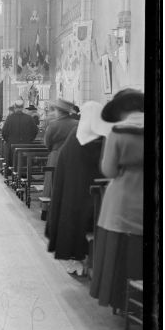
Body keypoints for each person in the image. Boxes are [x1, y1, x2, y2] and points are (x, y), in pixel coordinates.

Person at [90, 89, 144, 312]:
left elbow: (109, 170)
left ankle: (121, 300)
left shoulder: (119, 132)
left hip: (123, 198)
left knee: (121, 245)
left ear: (121, 110)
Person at [46, 102, 113, 275]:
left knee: (73, 222)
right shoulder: (107, 138)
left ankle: (75, 260)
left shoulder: (74, 139)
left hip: (75, 194)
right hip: (100, 197)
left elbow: (63, 166)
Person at [42, 98, 79, 197]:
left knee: (52, 181)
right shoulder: (76, 123)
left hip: (56, 155)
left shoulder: (53, 124)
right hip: (73, 156)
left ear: (59, 111)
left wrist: (52, 150)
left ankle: (49, 206)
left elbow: (47, 142)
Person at [1, 99, 38, 167]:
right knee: (24, 162)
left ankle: (13, 172)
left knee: (13, 162)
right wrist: (30, 140)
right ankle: (24, 173)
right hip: (26, 144)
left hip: (12, 144)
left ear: (15, 107)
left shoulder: (10, 118)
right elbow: (35, 131)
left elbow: (4, 132)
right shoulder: (29, 118)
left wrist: (8, 140)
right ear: (23, 107)